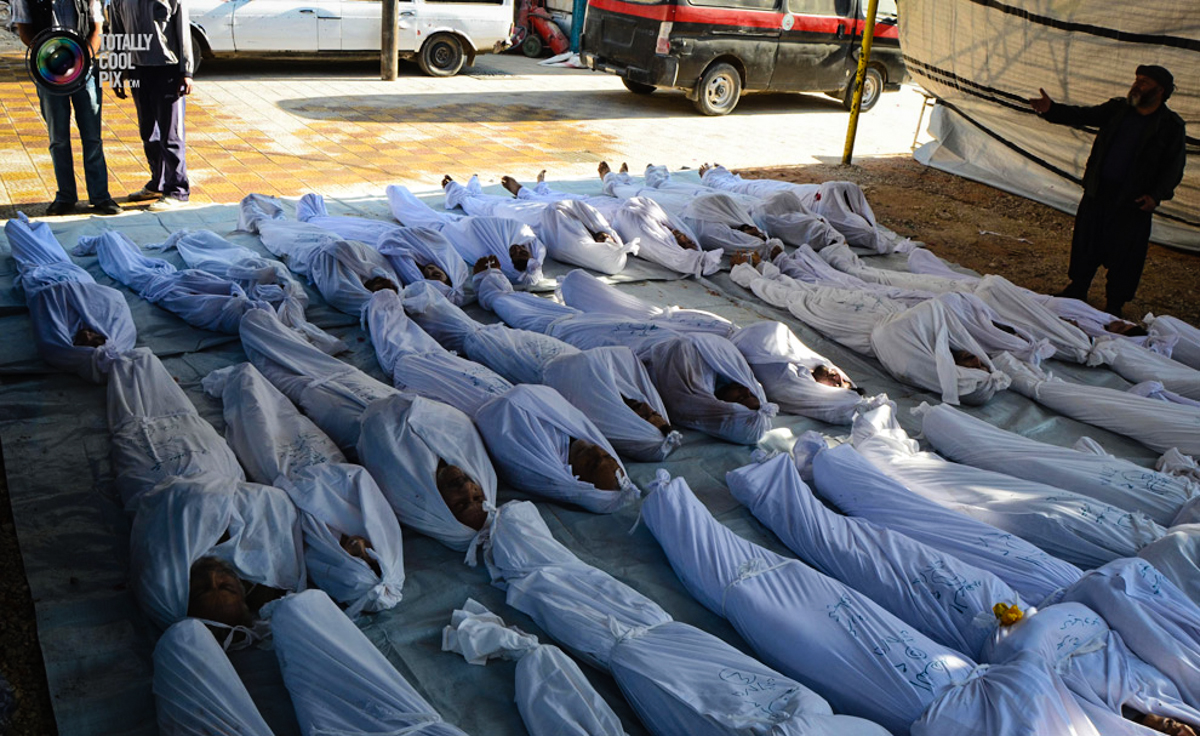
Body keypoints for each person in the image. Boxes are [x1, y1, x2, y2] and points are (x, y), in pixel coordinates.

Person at [1029, 66, 1187, 317]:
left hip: (1133, 201)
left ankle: (1115, 303)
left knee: (1125, 255)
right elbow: (1083, 115)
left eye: (1144, 82)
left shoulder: (1170, 127)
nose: (1136, 86)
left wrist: (1156, 196)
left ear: (1161, 91)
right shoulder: (1118, 110)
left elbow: (1173, 167)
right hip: (1099, 191)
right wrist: (1052, 110)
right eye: (1136, 80)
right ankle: (1077, 288)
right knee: (1086, 243)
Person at [11, 0, 121, 215]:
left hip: (85, 70)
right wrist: (49, 55)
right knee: (58, 138)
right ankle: (65, 197)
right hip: (48, 70)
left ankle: (100, 196)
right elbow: (24, 29)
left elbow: (97, 28)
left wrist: (80, 58)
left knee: (92, 137)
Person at [4, 213, 136, 381]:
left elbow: (44, 306)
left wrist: (57, 291)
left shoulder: (60, 344)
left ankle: (25, 226)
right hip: (75, 277)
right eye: (95, 339)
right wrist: (73, 289)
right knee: (52, 250)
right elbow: (114, 299)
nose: (88, 335)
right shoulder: (117, 334)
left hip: (42, 279)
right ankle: (35, 228)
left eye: (86, 342)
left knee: (18, 235)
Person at [109, 0, 194, 210]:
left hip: (167, 70)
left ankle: (177, 190)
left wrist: (186, 72)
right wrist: (116, 71)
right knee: (148, 131)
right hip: (138, 70)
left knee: (171, 135)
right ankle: (158, 182)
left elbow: (183, 32)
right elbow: (117, 34)